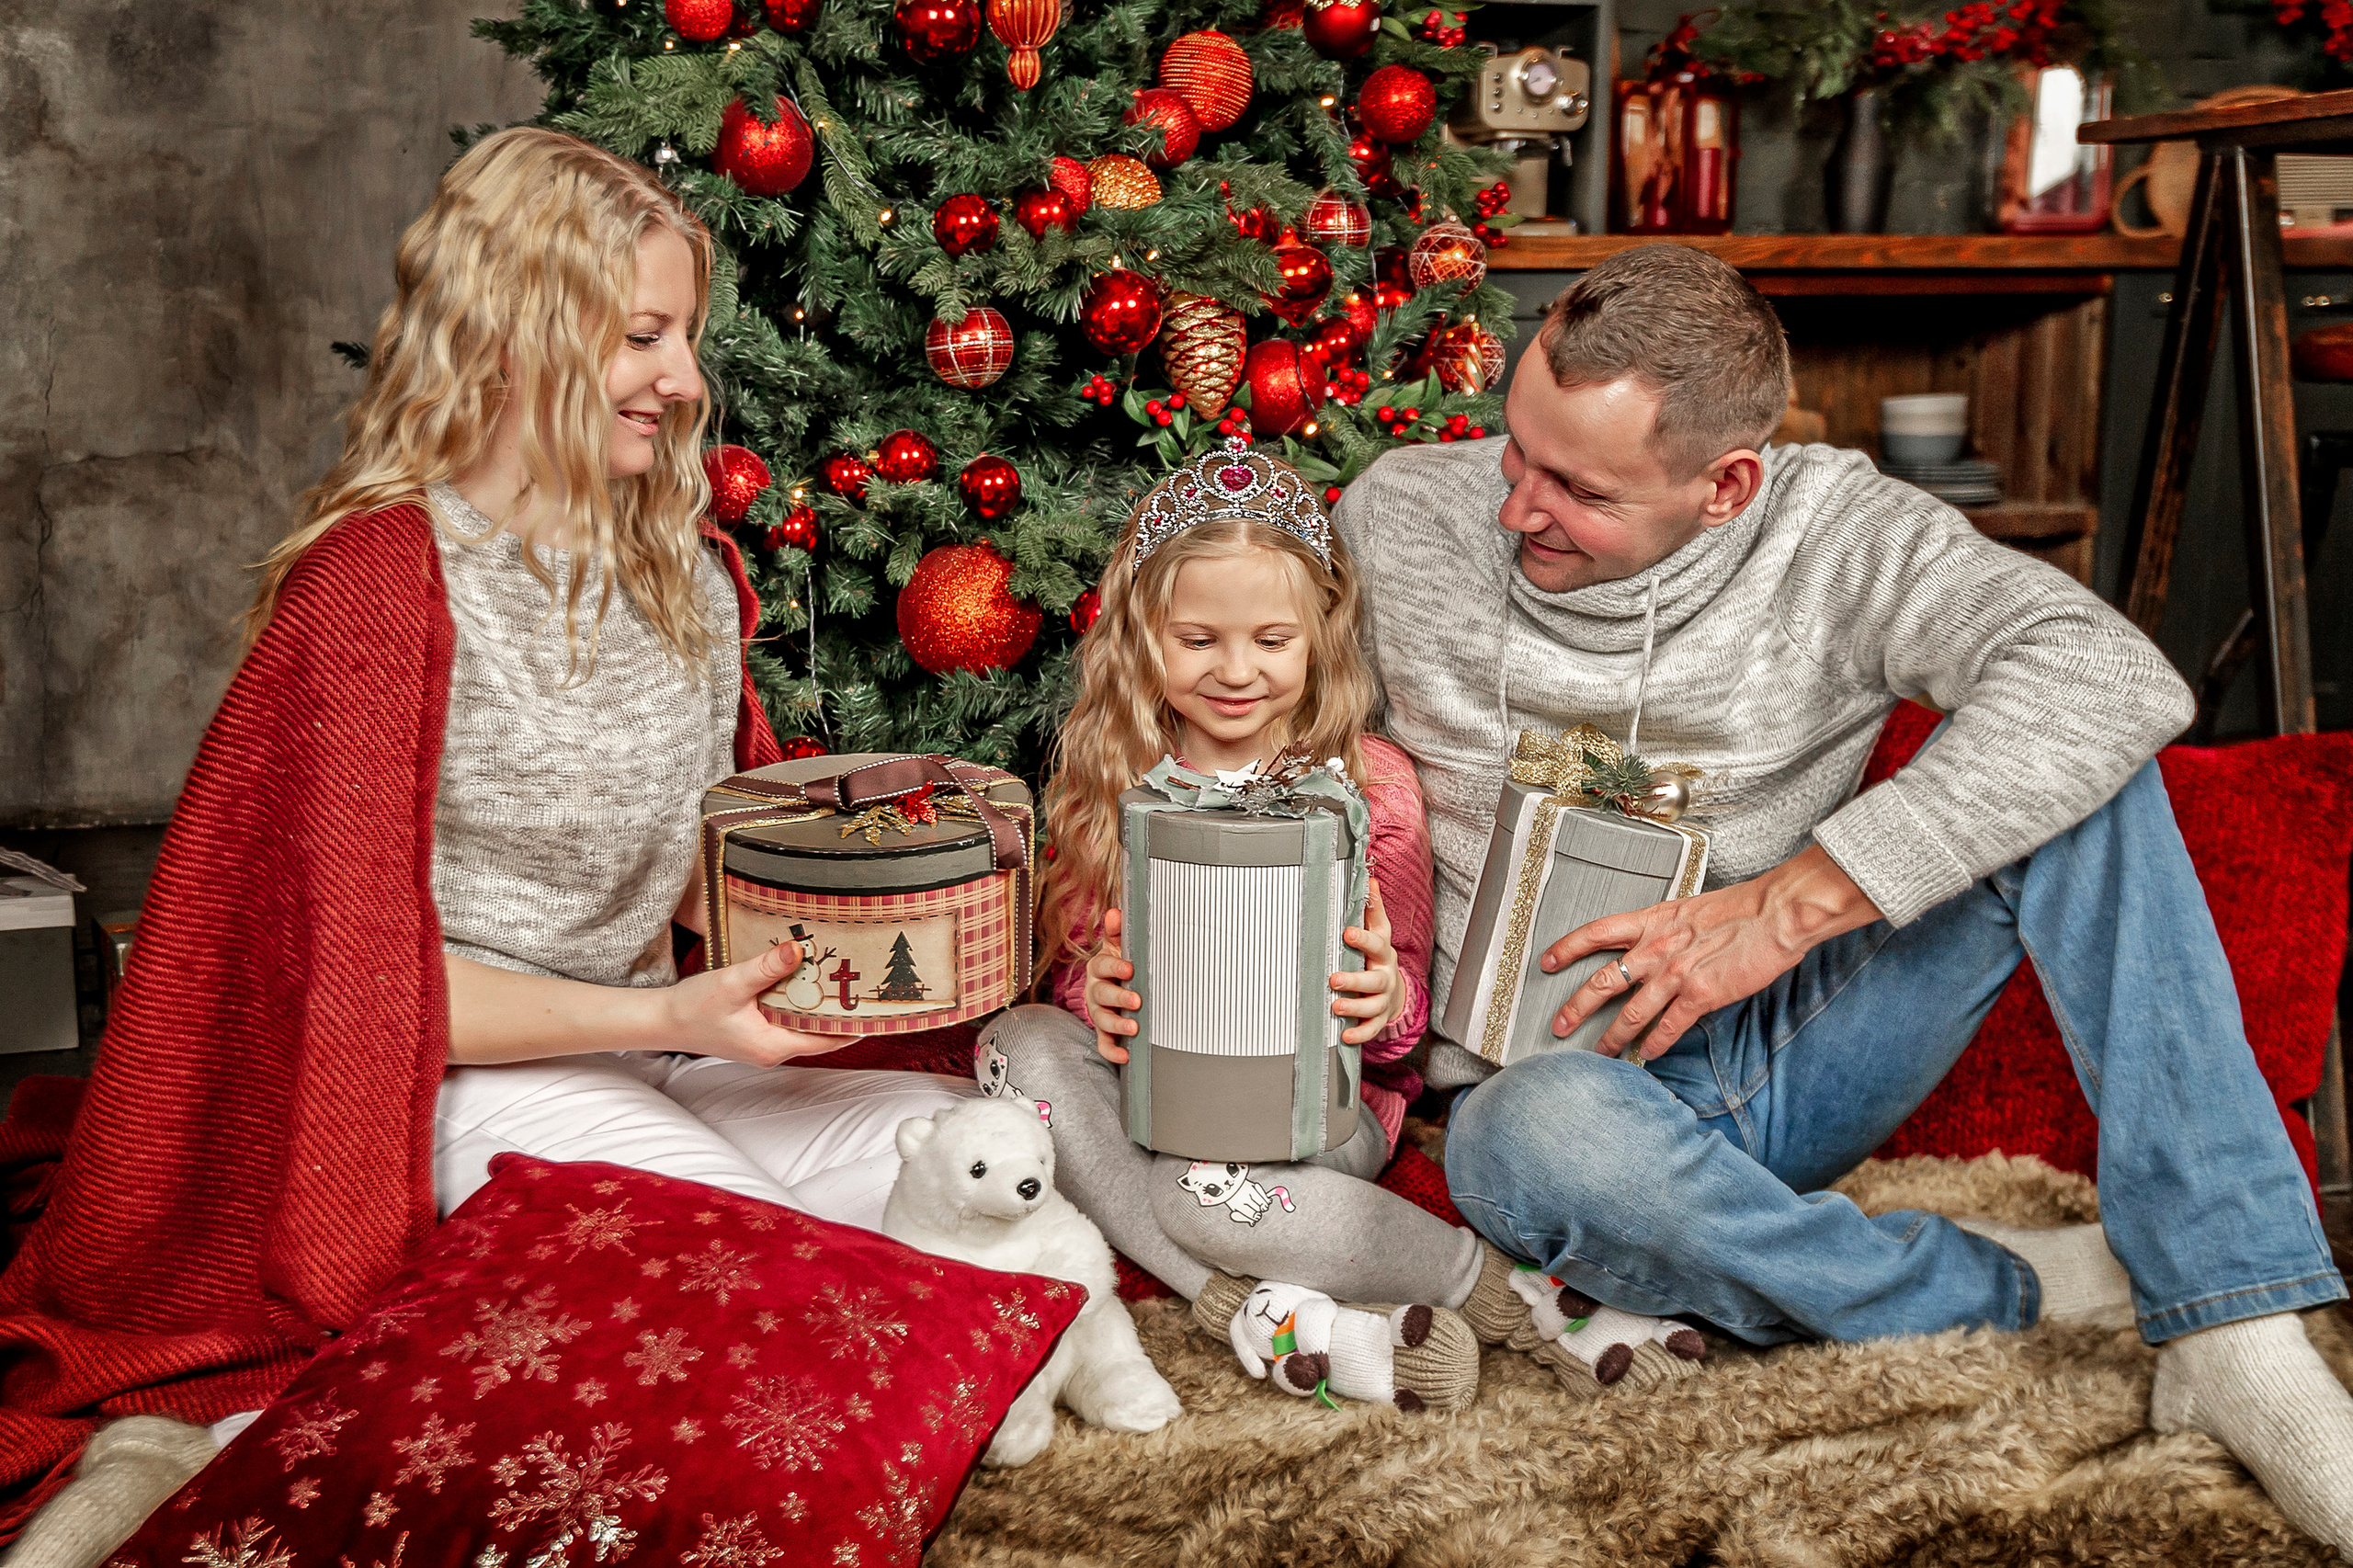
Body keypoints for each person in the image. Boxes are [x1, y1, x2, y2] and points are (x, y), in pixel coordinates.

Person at [0, 128, 967, 1556]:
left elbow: (723, 870)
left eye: (685, 336)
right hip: (440, 1090)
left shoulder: (693, 577)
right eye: (643, 335)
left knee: (972, 1156)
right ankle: (240, 1435)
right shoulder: (384, 583)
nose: (685, 380)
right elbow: (349, 998)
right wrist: (655, 1012)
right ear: (518, 331)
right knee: (794, 1300)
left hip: (661, 1048)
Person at [1332, 241, 2353, 1547]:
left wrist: (1788, 908)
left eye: (1578, 487)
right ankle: (2013, 1288)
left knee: (2090, 775)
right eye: (1514, 450)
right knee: (1524, 1136)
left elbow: (2115, 678)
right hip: (1550, 1094)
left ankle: (2237, 1324)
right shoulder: (1402, 510)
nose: (1514, 507)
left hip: (1775, 1049)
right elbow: (1267, 738)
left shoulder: (1834, 532)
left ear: (1728, 485)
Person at [980, 438, 1702, 1409]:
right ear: (1145, 636)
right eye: (1198, 639)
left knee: (1204, 1181)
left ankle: (1500, 1294)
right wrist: (1093, 990)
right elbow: (1075, 968)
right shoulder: (1110, 781)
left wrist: (1383, 998)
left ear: (1318, 636)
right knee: (1013, 1046)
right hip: (1152, 1085)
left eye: (1270, 640)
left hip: (1313, 1107)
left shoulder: (1368, 789)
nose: (1236, 670)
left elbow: (1401, 1026)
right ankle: (1248, 1304)